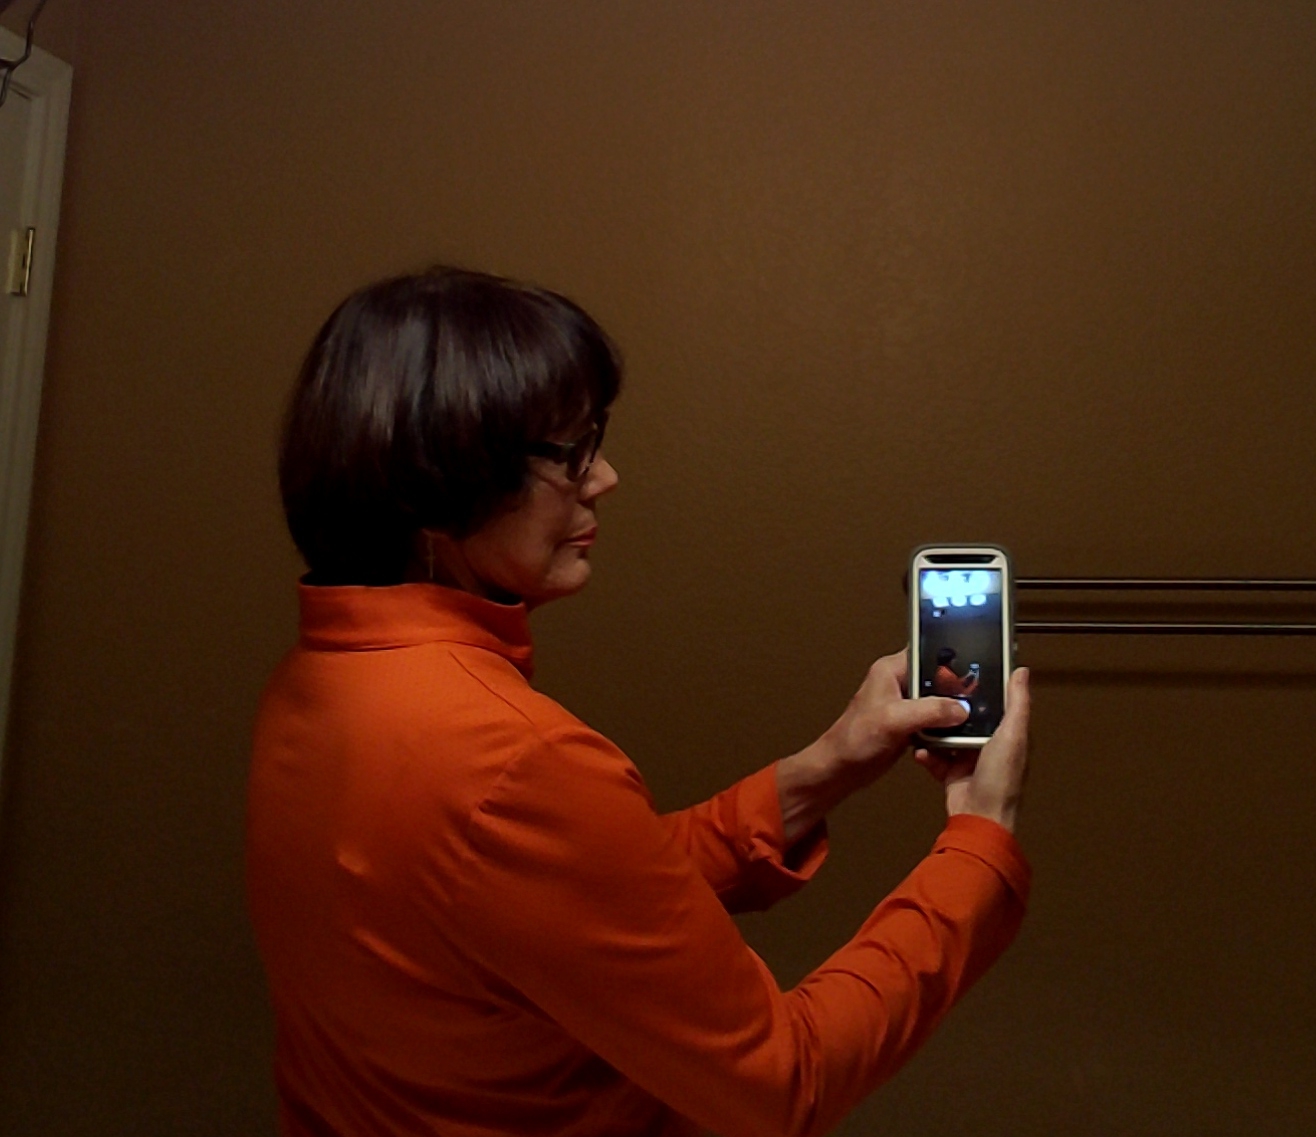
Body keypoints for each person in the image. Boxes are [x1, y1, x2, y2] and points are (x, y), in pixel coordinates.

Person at [246, 266, 1032, 1137]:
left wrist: (826, 767)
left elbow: (582, 895)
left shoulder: (318, 678)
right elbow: (784, 1078)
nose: (605, 477)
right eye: (570, 452)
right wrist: (979, 840)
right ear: (442, 476)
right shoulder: (509, 757)